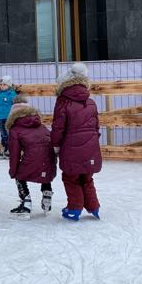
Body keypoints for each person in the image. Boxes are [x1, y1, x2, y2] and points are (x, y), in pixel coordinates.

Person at [51, 62, 102, 221]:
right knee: (87, 177)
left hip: (70, 147)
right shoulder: (90, 102)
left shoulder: (63, 101)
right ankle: (94, 207)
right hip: (91, 146)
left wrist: (55, 146)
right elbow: (96, 126)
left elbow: (58, 127)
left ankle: (74, 208)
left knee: (71, 177)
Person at [6, 101, 56, 219]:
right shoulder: (41, 126)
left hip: (32, 160)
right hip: (49, 161)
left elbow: (14, 154)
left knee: (19, 176)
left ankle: (26, 204)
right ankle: (47, 197)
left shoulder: (15, 129)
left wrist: (13, 171)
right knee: (44, 173)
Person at [0, 74, 18, 156]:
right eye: (1, 84)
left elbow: (15, 104)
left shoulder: (11, 94)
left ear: (9, 85)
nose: (2, 86)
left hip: (8, 117)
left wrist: (15, 114)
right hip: (0, 116)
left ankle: (9, 149)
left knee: (9, 132)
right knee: (2, 133)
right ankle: (3, 147)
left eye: (4, 84)